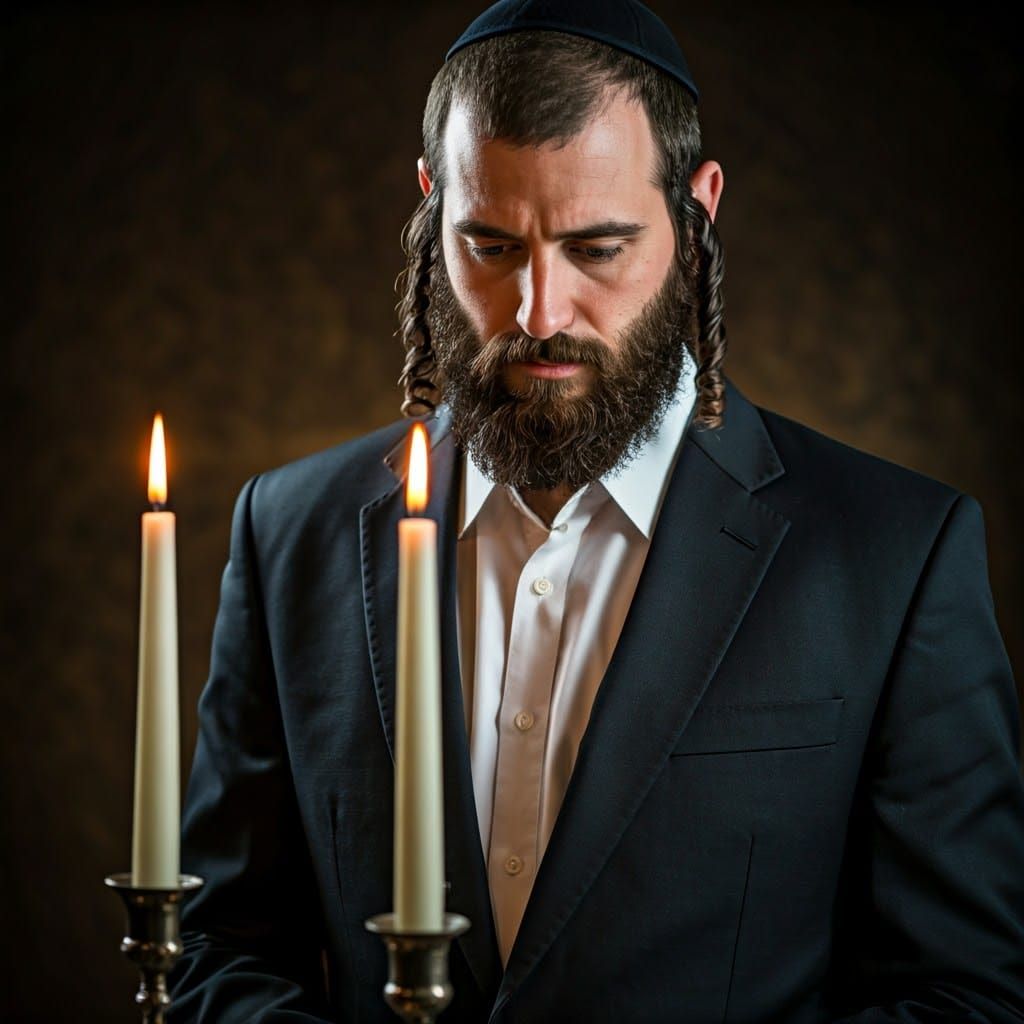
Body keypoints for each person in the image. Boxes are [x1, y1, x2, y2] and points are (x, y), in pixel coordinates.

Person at [170, 2, 1024, 1021]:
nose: (538, 312)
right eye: (488, 245)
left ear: (698, 213)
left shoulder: (895, 555)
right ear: (428, 204)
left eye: (597, 249)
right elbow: (218, 949)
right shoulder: (288, 534)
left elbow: (965, 995)